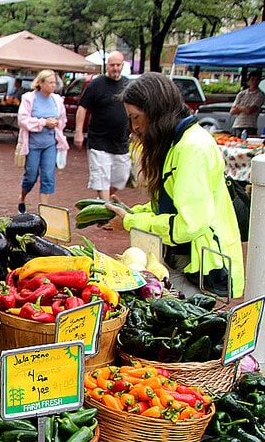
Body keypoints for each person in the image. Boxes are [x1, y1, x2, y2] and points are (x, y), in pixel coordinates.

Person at [105, 72, 245, 298]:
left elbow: (188, 225)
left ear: (155, 111)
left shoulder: (192, 148)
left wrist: (131, 221)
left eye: (136, 117)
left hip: (203, 266)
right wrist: (133, 212)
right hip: (185, 260)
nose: (133, 127)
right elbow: (170, 203)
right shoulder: (177, 142)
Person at [74, 51, 131, 201]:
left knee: (122, 177)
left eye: (118, 65)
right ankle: (105, 211)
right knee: (102, 178)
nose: (115, 68)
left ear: (123, 65)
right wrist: (79, 132)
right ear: (107, 66)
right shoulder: (96, 84)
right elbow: (82, 108)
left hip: (121, 141)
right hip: (99, 140)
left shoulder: (128, 85)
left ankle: (103, 201)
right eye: (112, 65)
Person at [16, 69, 68, 213]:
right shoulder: (29, 98)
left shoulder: (57, 100)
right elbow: (23, 120)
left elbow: (62, 119)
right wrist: (44, 122)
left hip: (50, 143)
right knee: (31, 175)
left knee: (48, 176)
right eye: (50, 82)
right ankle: (22, 196)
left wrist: (57, 124)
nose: (53, 85)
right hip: (33, 144)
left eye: (54, 83)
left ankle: (44, 210)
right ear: (40, 83)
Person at [230, 69, 264, 137]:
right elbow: (232, 111)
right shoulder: (241, 94)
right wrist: (244, 108)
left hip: (250, 126)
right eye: (252, 79)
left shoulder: (260, 95)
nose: (254, 82)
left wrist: (239, 107)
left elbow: (249, 110)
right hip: (237, 124)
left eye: (256, 80)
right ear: (249, 81)